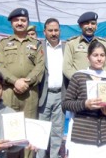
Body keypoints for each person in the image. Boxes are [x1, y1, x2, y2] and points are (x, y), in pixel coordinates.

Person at [0, 8, 44, 158]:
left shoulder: (37, 44)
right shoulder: (3, 44)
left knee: (29, 130)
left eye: (23, 20)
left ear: (28, 22)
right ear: (11, 23)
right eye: (16, 20)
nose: (20, 23)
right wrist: (15, 81)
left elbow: (40, 67)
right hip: (9, 92)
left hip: (30, 94)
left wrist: (26, 83)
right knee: (9, 130)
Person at [62, 41, 106, 158]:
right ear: (88, 57)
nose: (99, 59)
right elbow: (66, 104)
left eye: (102, 55)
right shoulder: (78, 76)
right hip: (82, 136)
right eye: (95, 55)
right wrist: (85, 104)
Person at [36, 18, 65, 158]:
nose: (53, 33)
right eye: (50, 30)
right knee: (41, 130)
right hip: (44, 95)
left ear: (60, 31)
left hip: (61, 94)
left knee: (57, 131)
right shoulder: (38, 47)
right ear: (44, 32)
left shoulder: (66, 47)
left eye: (56, 30)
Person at [63, 11, 106, 80]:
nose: (90, 26)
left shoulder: (104, 44)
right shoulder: (72, 44)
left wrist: (97, 80)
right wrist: (80, 81)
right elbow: (67, 68)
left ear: (96, 26)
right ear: (80, 25)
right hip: (78, 86)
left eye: (93, 23)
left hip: (98, 84)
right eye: (86, 23)